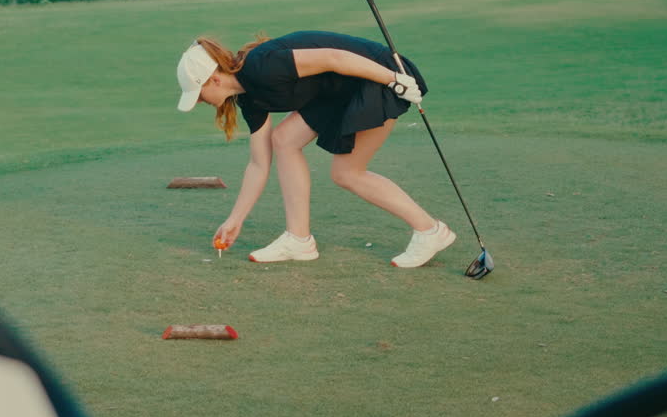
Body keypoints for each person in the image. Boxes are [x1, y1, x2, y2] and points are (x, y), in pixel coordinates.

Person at [174, 30, 456, 267]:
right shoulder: (250, 99)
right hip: (338, 90)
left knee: (347, 173)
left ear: (213, 79)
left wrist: (394, 80)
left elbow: (334, 58)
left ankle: (430, 230)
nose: (200, 102)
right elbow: (259, 164)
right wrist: (235, 220)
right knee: (284, 140)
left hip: (374, 75)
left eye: (198, 95)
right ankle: (299, 240)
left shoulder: (261, 66)